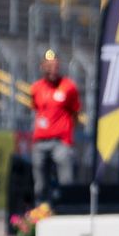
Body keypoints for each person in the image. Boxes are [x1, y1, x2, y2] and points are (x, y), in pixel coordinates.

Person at [30, 50, 82, 203]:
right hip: (40, 141)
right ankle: (41, 210)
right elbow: (36, 108)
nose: (52, 70)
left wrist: (67, 135)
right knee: (40, 183)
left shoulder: (68, 87)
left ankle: (67, 208)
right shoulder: (36, 88)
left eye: (55, 66)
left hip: (60, 141)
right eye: (49, 66)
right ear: (43, 67)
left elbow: (75, 112)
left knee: (65, 179)